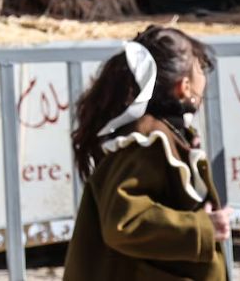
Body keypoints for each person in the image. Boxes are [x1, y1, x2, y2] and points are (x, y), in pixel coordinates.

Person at [65, 26, 229, 280]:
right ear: (184, 86)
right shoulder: (147, 144)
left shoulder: (165, 134)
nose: (204, 78)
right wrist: (201, 229)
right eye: (199, 68)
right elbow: (124, 222)